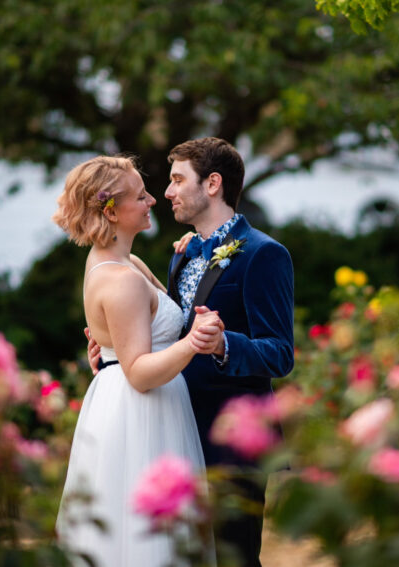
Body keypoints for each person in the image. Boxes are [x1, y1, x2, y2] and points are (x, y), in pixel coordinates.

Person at [89, 138, 295, 566]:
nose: (167, 192)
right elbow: (169, 328)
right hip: (170, 430)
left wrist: (224, 344)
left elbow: (279, 353)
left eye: (178, 180)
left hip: (232, 441)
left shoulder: (264, 255)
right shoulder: (183, 255)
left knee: (234, 559)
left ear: (213, 184)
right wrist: (113, 348)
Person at [53, 156, 222, 567]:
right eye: (140, 195)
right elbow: (140, 373)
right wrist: (195, 343)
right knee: (148, 537)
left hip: (135, 401)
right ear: (110, 209)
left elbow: (166, 317)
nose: (152, 200)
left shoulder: (124, 264)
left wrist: (193, 251)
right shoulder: (122, 279)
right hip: (141, 408)